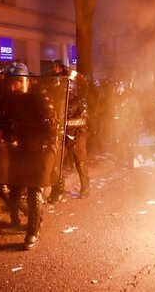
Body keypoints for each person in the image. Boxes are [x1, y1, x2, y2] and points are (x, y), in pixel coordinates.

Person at [0, 62, 51, 250]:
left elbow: (49, 125)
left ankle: (33, 230)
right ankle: (28, 217)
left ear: (24, 82)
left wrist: (44, 143)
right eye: (11, 82)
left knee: (34, 191)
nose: (13, 86)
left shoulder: (37, 98)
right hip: (15, 152)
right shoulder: (6, 100)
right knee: (14, 193)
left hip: (34, 150)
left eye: (16, 82)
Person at [47, 60, 90, 203]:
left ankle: (85, 188)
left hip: (77, 136)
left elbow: (82, 121)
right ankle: (57, 192)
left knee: (80, 163)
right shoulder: (56, 102)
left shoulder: (78, 102)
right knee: (56, 165)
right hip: (62, 136)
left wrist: (67, 71)